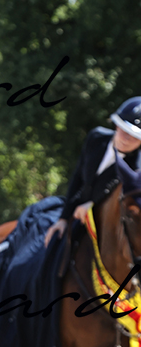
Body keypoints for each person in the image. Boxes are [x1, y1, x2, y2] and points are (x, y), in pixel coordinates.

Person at [44, 96, 141, 246]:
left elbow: (124, 204)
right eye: (124, 130)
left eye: (135, 137)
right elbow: (78, 176)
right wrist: (63, 218)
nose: (127, 139)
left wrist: (93, 206)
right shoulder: (96, 137)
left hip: (103, 225)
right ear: (117, 125)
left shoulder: (136, 169)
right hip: (74, 207)